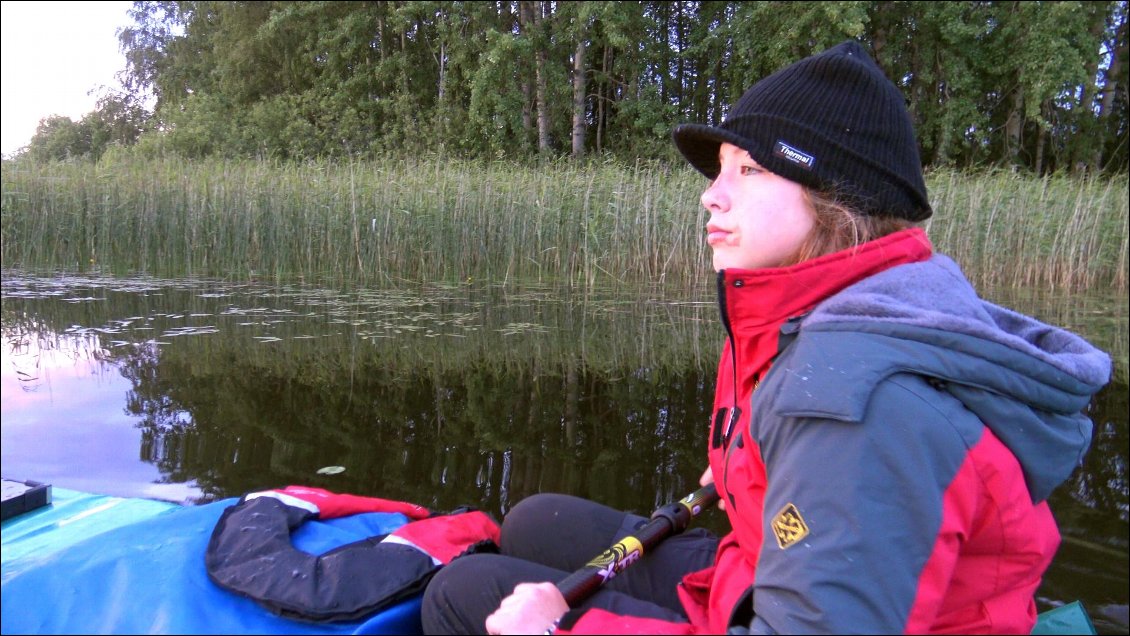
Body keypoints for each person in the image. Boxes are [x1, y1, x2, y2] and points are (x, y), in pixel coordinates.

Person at [420, 40, 1112, 635]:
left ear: (836, 200)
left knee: (459, 599)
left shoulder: (860, 407)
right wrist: (746, 467)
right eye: (720, 170)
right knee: (537, 519)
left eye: (748, 171)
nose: (711, 195)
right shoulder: (811, 311)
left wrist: (560, 627)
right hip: (762, 571)